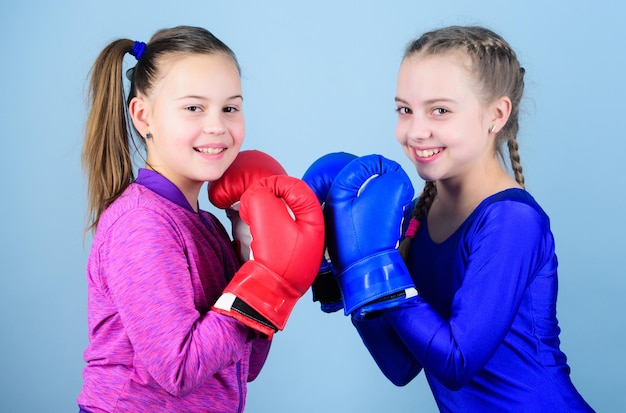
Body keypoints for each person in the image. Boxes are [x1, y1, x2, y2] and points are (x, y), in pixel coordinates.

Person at [324, 26, 595, 412]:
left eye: (440, 110)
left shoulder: (511, 222)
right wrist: (348, 265)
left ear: (496, 114)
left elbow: (456, 362)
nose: (416, 131)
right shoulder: (417, 215)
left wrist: (380, 264)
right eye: (405, 109)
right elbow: (400, 366)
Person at [78, 25, 324, 413]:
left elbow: (245, 368)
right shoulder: (143, 224)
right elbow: (178, 370)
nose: (217, 126)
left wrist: (251, 256)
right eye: (194, 107)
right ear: (144, 117)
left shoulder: (205, 226)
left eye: (230, 107)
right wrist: (267, 282)